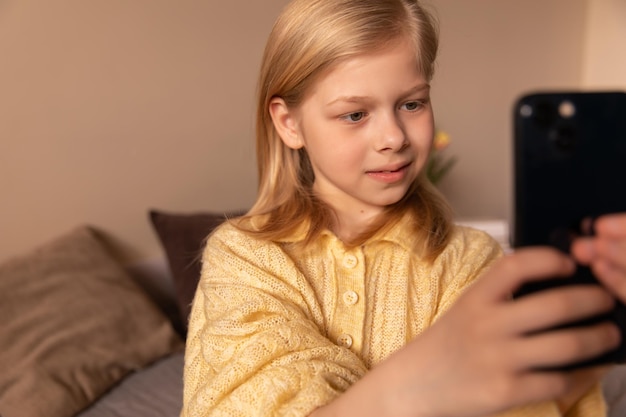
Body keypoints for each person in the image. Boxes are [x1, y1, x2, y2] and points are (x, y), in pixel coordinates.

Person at [181, 0, 626, 415]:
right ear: (288, 122)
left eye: (412, 104)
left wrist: (591, 351)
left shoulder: (470, 259)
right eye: (355, 114)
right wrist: (415, 384)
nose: (393, 137)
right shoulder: (243, 254)